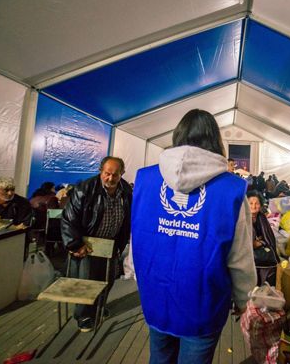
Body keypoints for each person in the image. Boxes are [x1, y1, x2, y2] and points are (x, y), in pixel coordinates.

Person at [131, 109, 256, 364]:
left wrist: (137, 274)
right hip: (202, 301)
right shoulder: (230, 189)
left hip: (156, 292)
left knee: (159, 357)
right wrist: (245, 299)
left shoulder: (145, 180)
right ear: (215, 141)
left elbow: (138, 235)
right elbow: (240, 256)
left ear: (178, 135)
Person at [61, 156, 133, 332]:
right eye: (107, 174)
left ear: (122, 173)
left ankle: (98, 308)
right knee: (86, 281)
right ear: (101, 171)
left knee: (107, 280)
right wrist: (75, 244)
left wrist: (120, 244)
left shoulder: (126, 191)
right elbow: (69, 219)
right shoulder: (84, 189)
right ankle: (83, 315)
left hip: (111, 244)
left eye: (115, 175)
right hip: (88, 244)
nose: (110, 178)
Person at [247, 191, 279, 286]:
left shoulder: (262, 218)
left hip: (260, 251)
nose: (254, 206)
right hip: (247, 256)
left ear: (260, 205)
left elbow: (269, 238)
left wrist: (260, 242)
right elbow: (247, 243)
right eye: (251, 203)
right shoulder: (243, 219)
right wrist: (259, 242)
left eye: (256, 203)